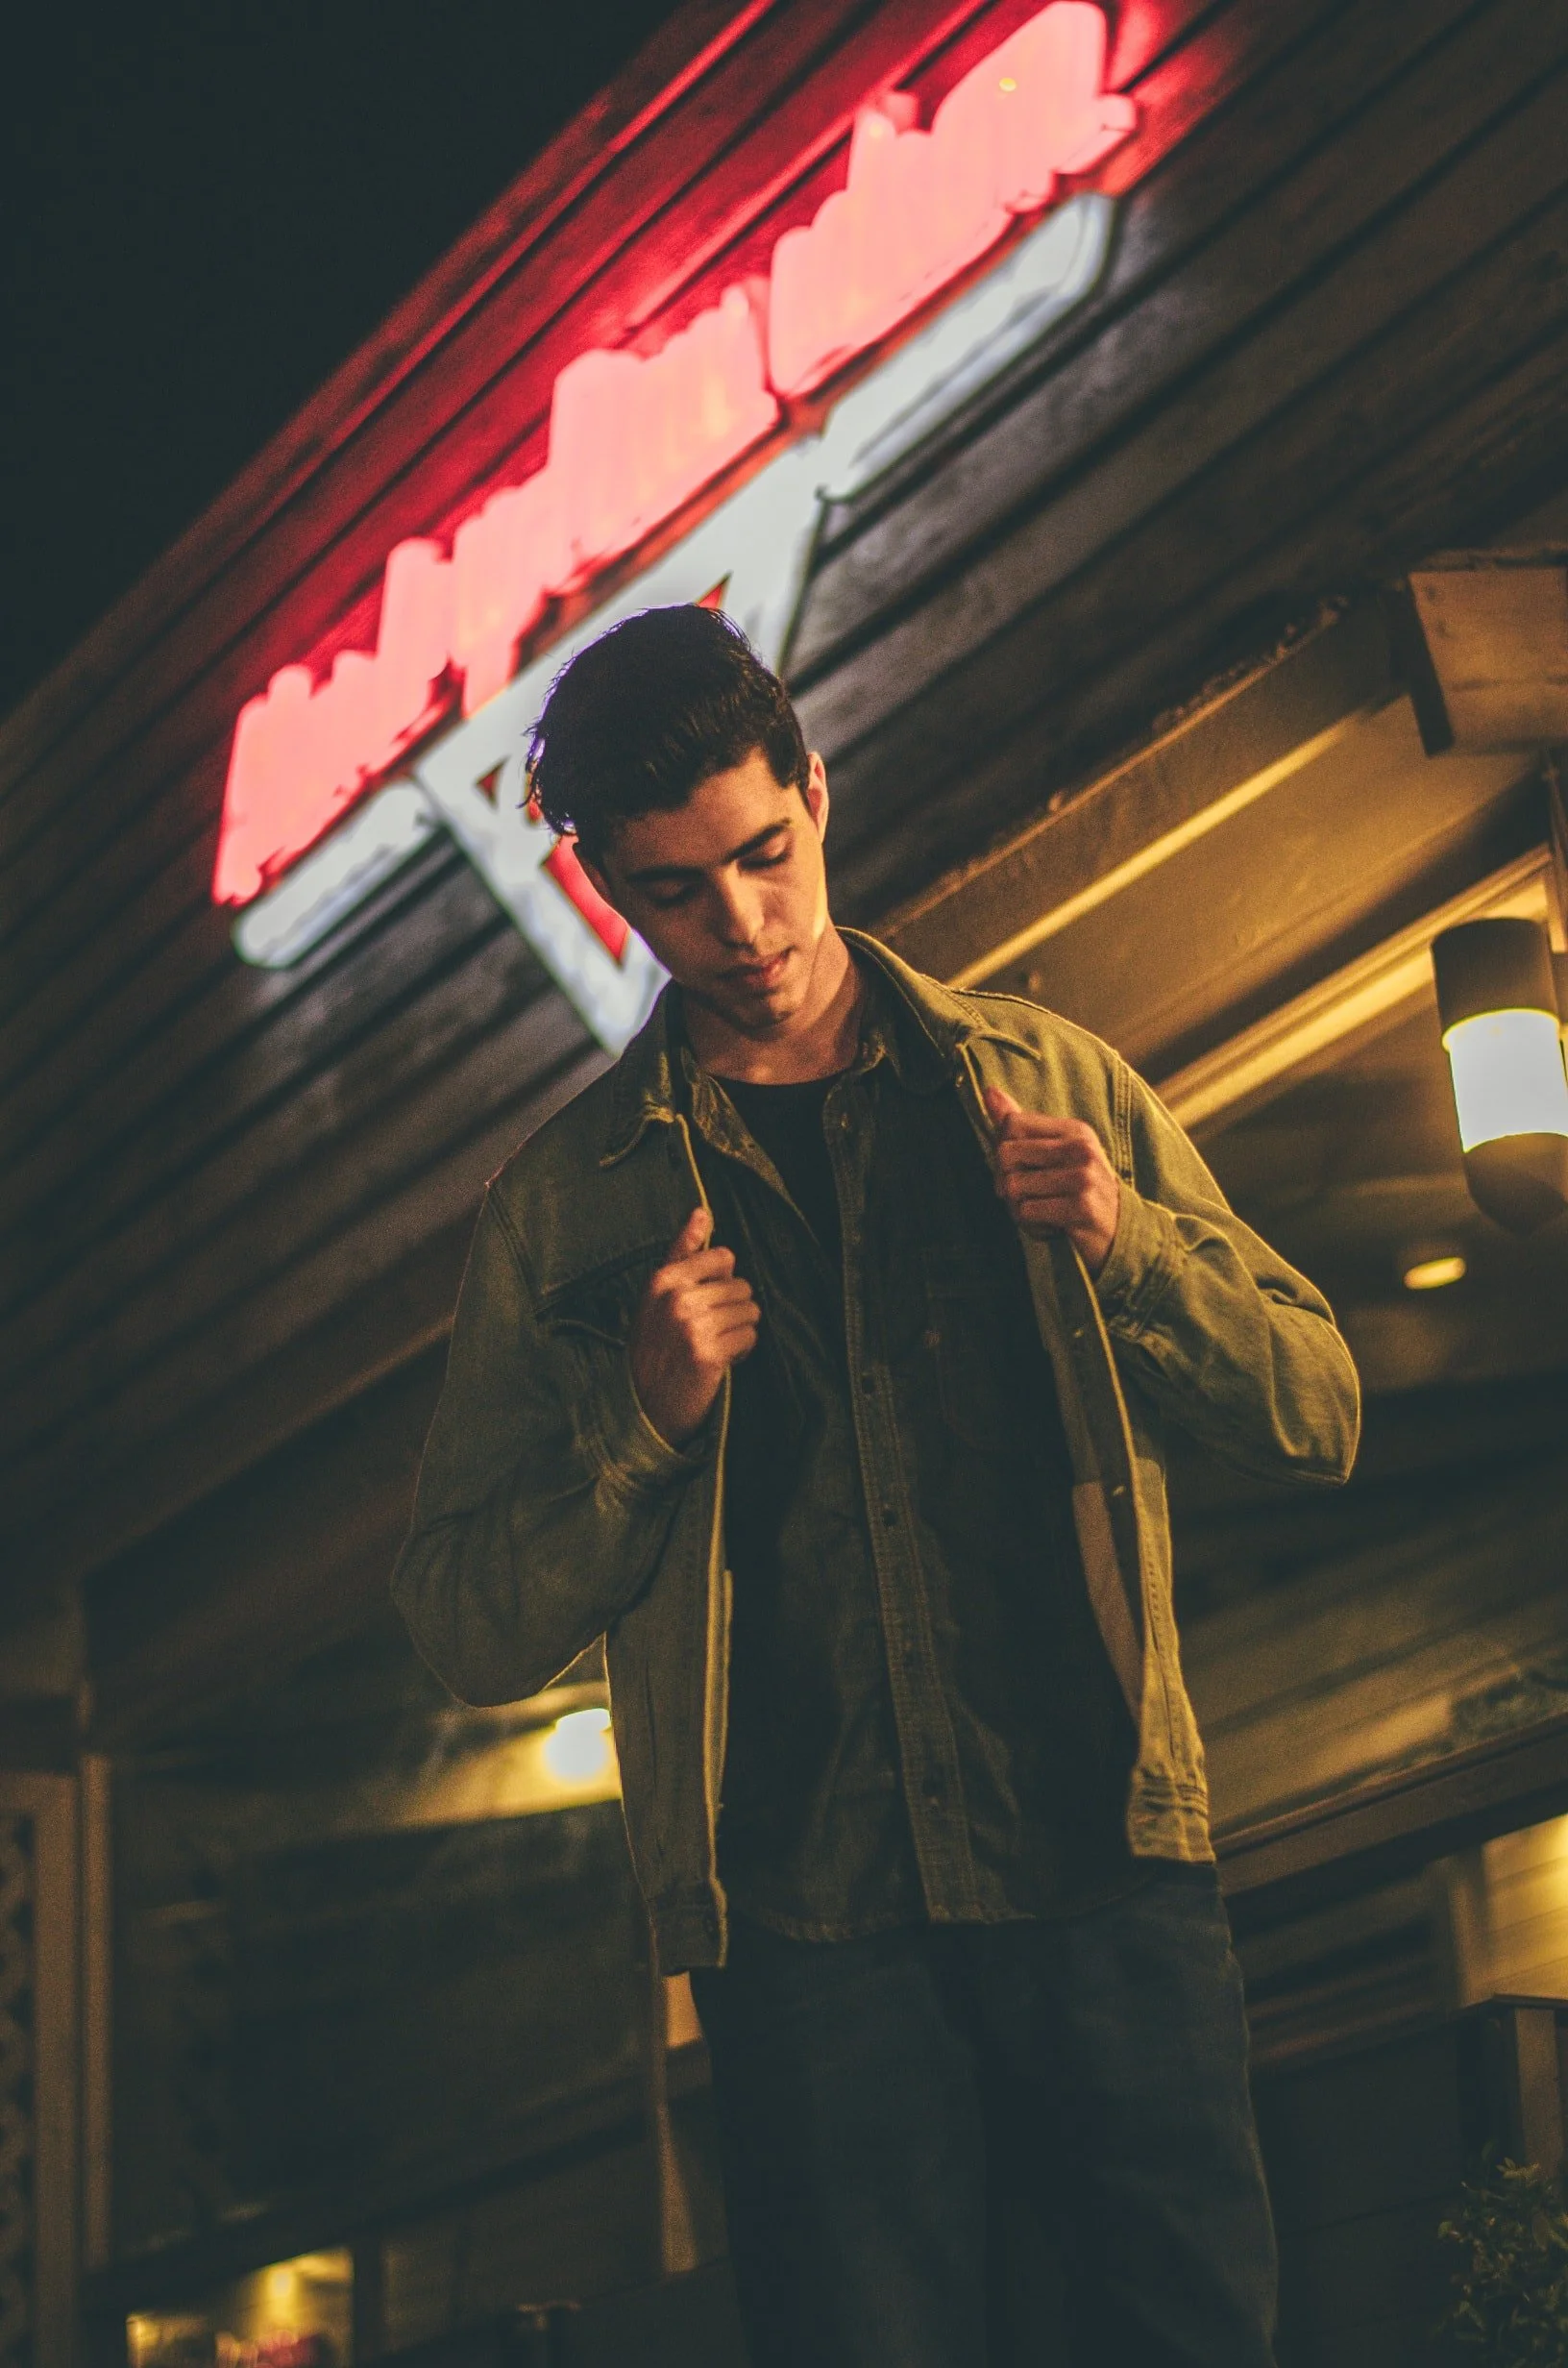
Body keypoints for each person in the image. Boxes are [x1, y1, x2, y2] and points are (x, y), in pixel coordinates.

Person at [391, 604, 1360, 2368]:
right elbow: (465, 1620)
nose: (745, 924)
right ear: (608, 887)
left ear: (819, 793)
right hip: (806, 1925)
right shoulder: (567, 1208)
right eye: (679, 890)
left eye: (767, 854)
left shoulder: (1045, 1084)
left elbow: (1318, 1408)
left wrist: (1131, 1248)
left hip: (1103, 1859)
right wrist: (641, 1418)